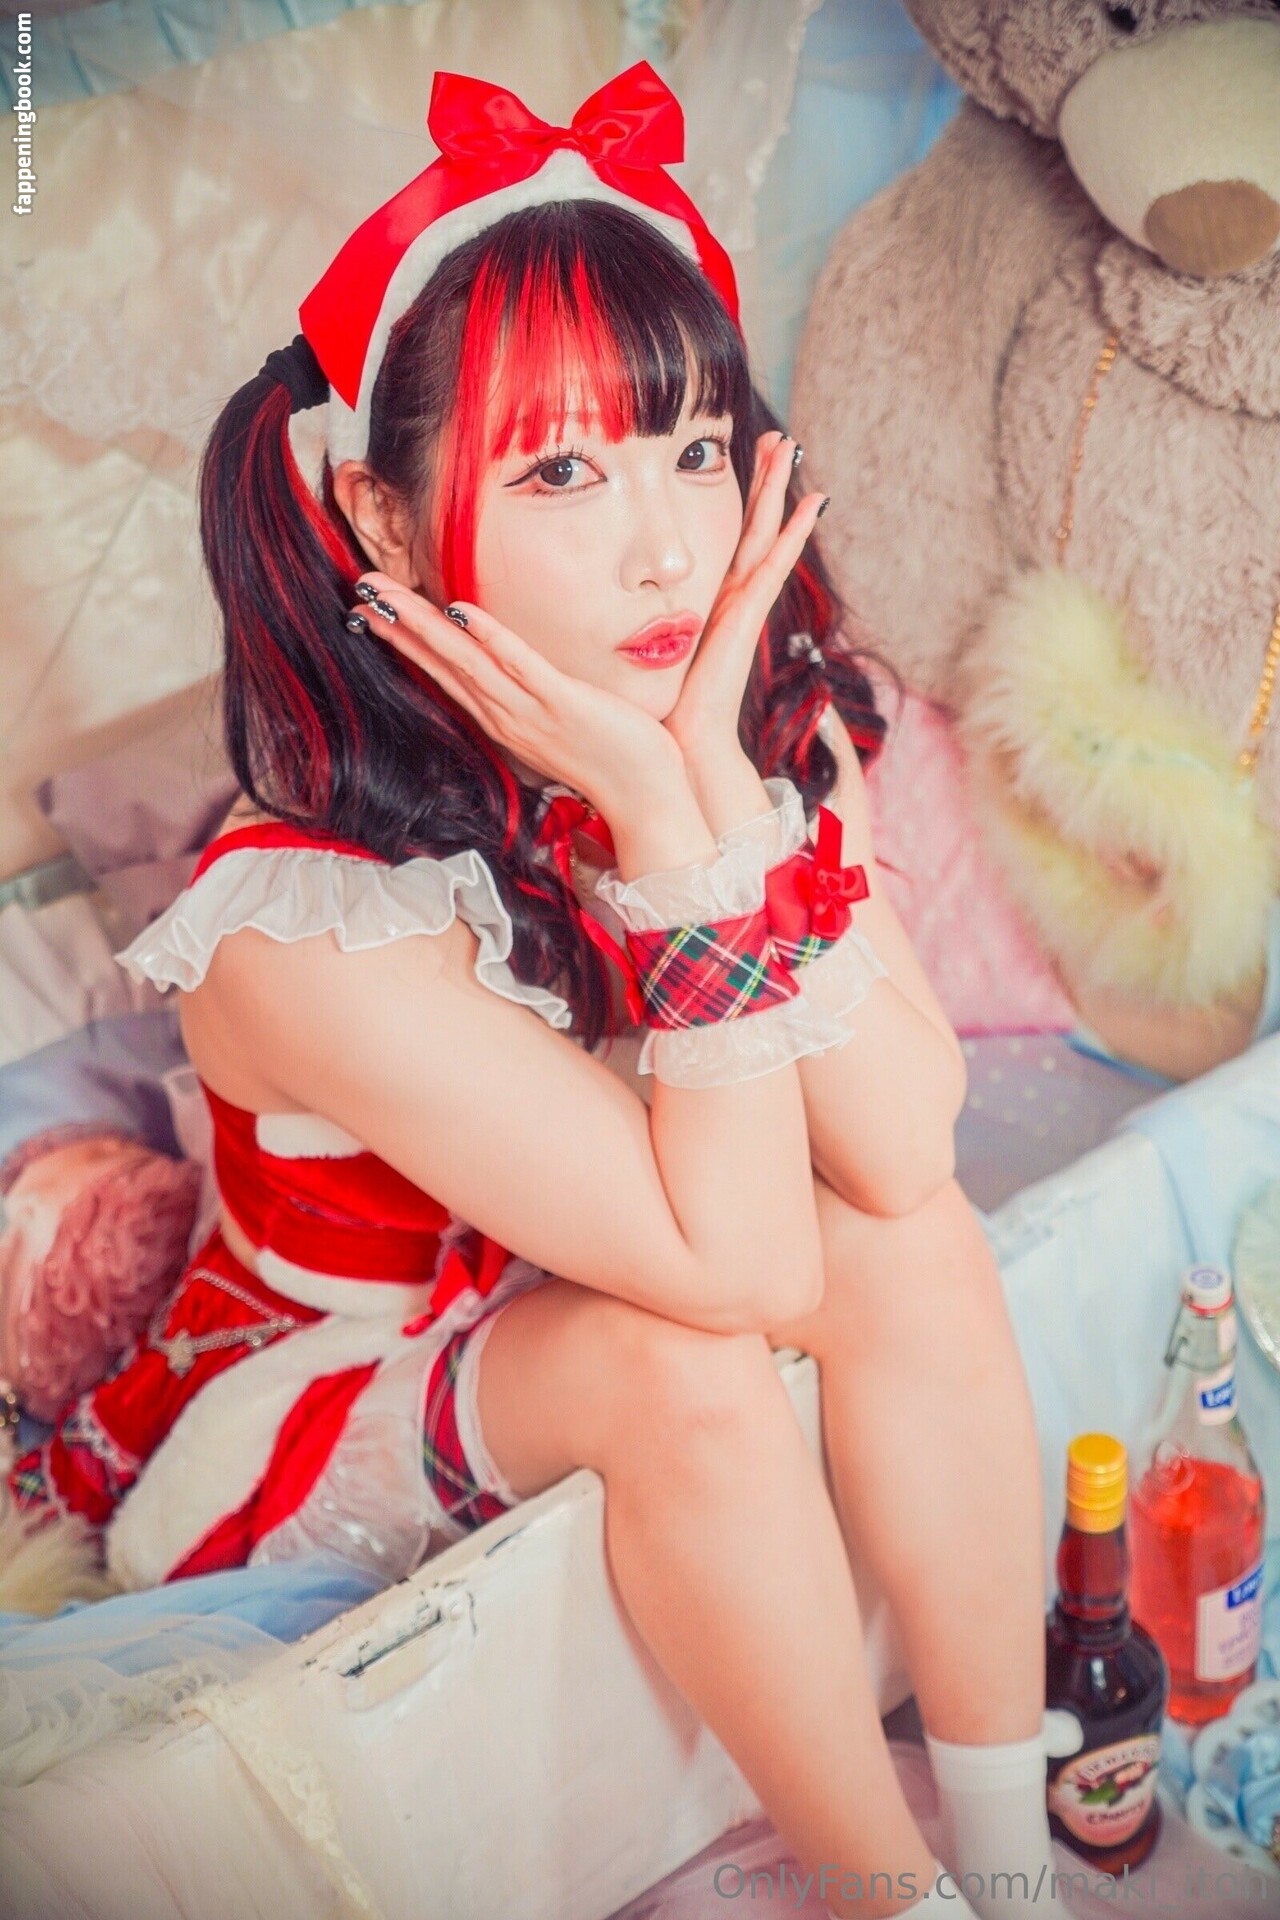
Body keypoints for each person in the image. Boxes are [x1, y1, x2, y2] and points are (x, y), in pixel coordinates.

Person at [4, 64, 1074, 1920]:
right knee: (687, 1364)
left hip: (604, 1280)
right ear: (385, 519)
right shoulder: (300, 923)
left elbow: (910, 1152)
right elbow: (739, 1280)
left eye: (693, 450)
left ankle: (1016, 1866)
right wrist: (671, 826)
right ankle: (894, 1901)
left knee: (905, 1241)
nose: (668, 548)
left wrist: (712, 782)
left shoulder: (717, 727)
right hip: (315, 1402)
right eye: (562, 470)